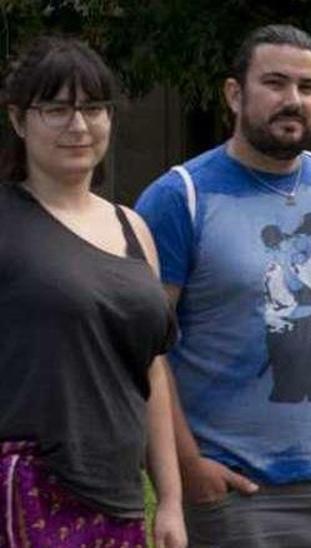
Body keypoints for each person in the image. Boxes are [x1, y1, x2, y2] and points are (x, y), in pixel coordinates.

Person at [134, 25, 311, 547]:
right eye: (275, 83)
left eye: (308, 88)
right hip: (240, 496)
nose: (293, 100)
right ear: (234, 93)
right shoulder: (181, 198)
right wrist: (185, 465)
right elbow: (143, 349)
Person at [0, 36, 186, 547]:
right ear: (19, 120)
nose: (78, 126)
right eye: (56, 109)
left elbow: (150, 369)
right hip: (30, 488)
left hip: (118, 496)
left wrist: (169, 499)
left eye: (93, 108)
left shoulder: (134, 228)